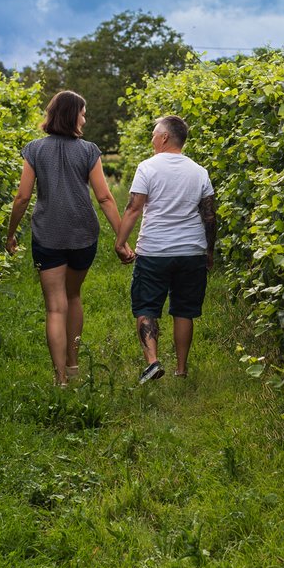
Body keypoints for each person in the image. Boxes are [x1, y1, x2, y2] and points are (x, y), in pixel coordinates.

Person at [6, 90, 133, 387]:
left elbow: (23, 197)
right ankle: (73, 365)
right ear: (72, 115)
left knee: (54, 307)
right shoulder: (89, 150)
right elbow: (104, 197)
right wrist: (121, 238)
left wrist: (10, 234)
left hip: (47, 235)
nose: (85, 118)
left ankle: (60, 378)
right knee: (73, 296)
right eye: (83, 112)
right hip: (82, 234)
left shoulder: (34, 149)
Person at [114, 114, 216, 383]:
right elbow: (209, 216)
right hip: (191, 250)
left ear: (165, 137)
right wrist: (209, 251)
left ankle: (153, 362)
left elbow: (134, 207)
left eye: (154, 133)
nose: (151, 138)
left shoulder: (148, 167)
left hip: (155, 251)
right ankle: (181, 370)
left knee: (146, 306)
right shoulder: (199, 171)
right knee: (184, 311)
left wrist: (120, 242)